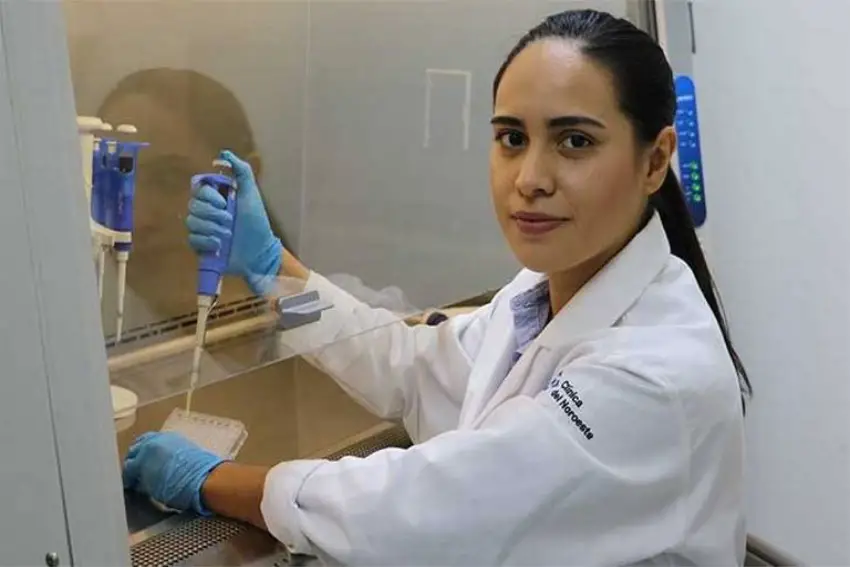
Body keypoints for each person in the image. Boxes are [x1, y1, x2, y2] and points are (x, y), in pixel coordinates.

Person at [123, 9, 751, 565]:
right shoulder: (535, 295)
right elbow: (411, 367)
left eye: (575, 141)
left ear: (654, 160)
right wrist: (275, 271)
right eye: (512, 138)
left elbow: (423, 511)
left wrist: (213, 481)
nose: (530, 177)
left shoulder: (657, 376)